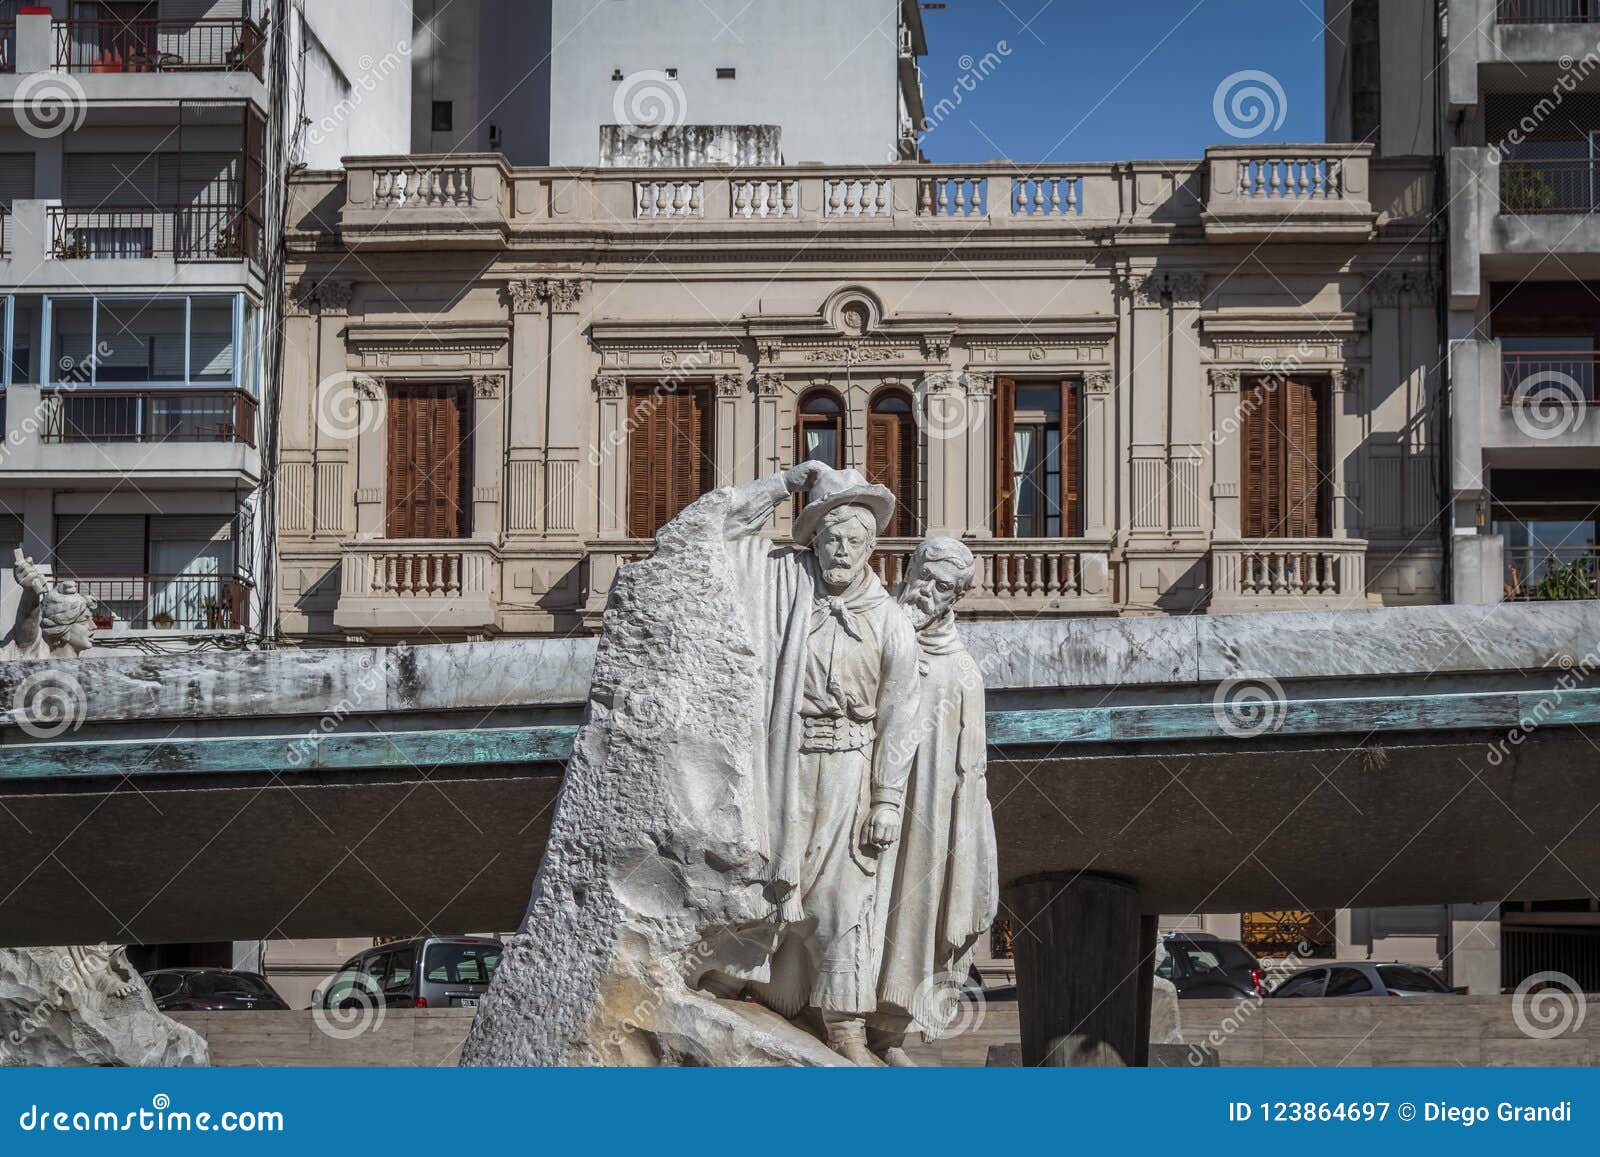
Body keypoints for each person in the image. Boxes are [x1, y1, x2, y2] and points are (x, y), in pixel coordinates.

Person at [702, 462, 920, 1064]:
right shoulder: (784, 586)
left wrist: (887, 799)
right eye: (829, 539)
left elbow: (901, 718)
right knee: (767, 867)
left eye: (853, 540)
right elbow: (708, 533)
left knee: (846, 895)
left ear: (872, 547)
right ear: (813, 544)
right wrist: (784, 484)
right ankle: (736, 971)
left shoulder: (893, 623)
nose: (841, 550)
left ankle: (845, 1017)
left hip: (850, 767)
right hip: (783, 758)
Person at [869, 536, 998, 1064]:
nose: (927, 593)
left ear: (956, 596)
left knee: (917, 910)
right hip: (868, 800)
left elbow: (973, 769)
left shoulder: (963, 669)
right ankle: (837, 1015)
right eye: (923, 578)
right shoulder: (877, 631)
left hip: (930, 814)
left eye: (942, 587)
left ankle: (888, 1029)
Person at [3, 549, 95, 660]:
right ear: (62, 628)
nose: (93, 626)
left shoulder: (90, 670)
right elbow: (27, 631)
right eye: (84, 621)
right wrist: (30, 592)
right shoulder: (38, 654)